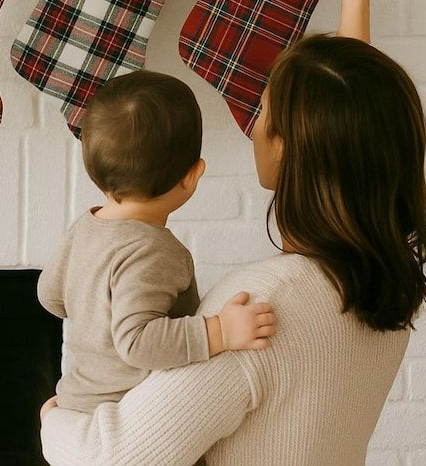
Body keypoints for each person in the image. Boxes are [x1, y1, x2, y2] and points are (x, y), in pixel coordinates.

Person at [40, 0, 426, 465]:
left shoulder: (257, 314)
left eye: (264, 112)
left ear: (287, 146)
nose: (252, 123)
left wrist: (56, 420)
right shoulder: (385, 278)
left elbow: (110, 459)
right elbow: (359, 129)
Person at [37, 68, 277, 414]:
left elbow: (49, 294)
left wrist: (93, 311)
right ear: (192, 176)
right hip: (127, 418)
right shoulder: (154, 251)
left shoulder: (84, 228)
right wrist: (220, 331)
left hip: (79, 403)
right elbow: (137, 343)